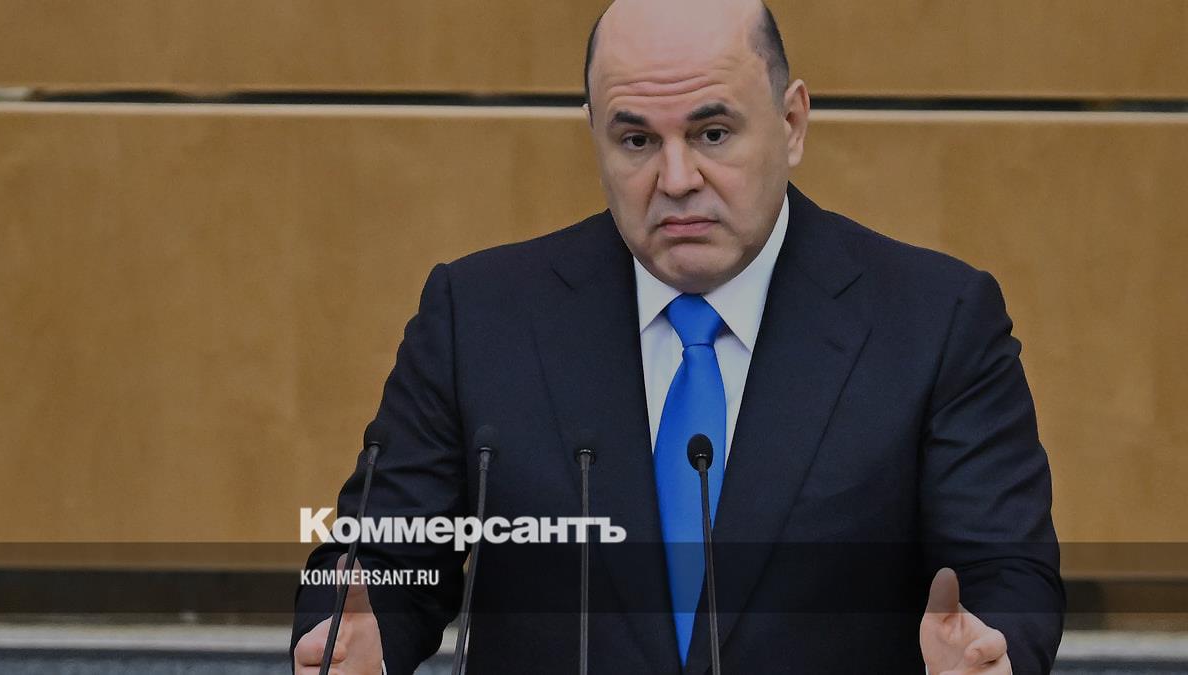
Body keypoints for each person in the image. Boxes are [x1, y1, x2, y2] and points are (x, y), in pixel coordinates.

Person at [291, 0, 1064, 672]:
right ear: (595, 135)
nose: (676, 178)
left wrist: (991, 647)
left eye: (713, 133)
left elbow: (1003, 570)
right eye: (636, 141)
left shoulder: (934, 320)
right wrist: (356, 636)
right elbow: (382, 555)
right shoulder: (479, 316)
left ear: (792, 123)